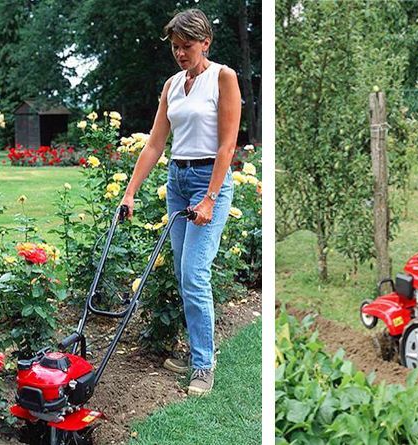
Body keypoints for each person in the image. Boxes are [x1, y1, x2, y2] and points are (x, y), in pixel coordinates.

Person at [121, 8, 241, 396]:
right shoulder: (172, 85)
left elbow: (226, 145)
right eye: (175, 47)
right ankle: (197, 351)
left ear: (205, 42)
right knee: (183, 271)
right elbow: (156, 142)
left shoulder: (223, 78)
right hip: (177, 179)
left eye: (186, 46)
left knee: (194, 274)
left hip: (211, 181)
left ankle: (203, 364)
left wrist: (209, 198)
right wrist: (130, 191)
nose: (180, 53)